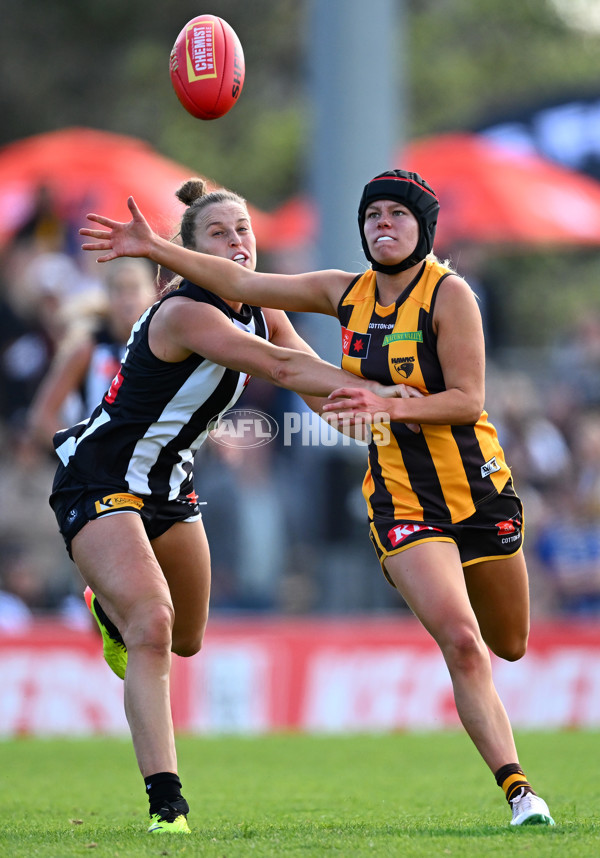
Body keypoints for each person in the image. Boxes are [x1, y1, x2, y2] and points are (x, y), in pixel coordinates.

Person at [79, 169, 555, 828]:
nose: (382, 225)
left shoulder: (451, 296)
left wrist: (366, 402)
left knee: (509, 641)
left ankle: (117, 615)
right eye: (373, 216)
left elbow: (466, 400)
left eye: (396, 215)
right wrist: (155, 246)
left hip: (477, 490)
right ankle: (520, 791)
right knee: (464, 642)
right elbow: (264, 329)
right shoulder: (307, 295)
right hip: (394, 497)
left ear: (423, 228)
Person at [52, 178, 402, 835]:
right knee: (154, 624)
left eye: (243, 228)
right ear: (189, 254)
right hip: (99, 479)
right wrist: (386, 396)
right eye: (219, 233)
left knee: (185, 637)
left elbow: (318, 391)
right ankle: (167, 805)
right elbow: (281, 369)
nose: (238, 241)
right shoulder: (185, 311)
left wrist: (387, 425)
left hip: (170, 486)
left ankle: (108, 607)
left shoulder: (264, 308)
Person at [26, 258, 157, 449]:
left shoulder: (164, 346)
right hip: (97, 474)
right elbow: (41, 417)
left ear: (151, 294)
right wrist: (79, 453)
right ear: (107, 296)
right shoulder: (88, 348)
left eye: (134, 288)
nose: (127, 299)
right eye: (119, 290)